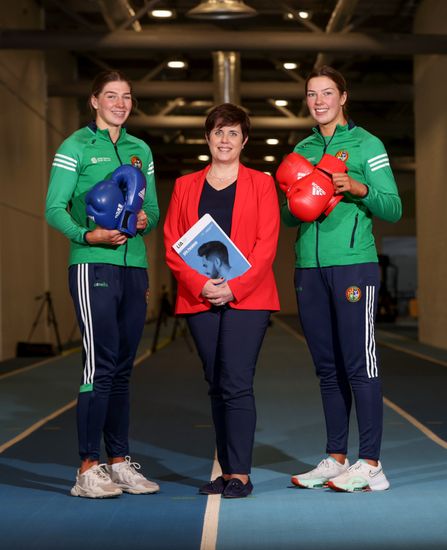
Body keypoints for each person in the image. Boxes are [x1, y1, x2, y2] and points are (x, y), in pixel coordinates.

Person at [280, 66, 402, 492]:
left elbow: (393, 206)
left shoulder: (367, 145)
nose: (319, 101)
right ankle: (336, 458)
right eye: (312, 94)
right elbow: (288, 216)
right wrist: (291, 195)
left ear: (343, 97)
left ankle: (371, 463)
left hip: (353, 265)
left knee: (359, 364)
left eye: (327, 93)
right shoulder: (303, 148)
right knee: (327, 369)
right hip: (309, 270)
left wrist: (357, 187)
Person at [45, 70, 160, 498]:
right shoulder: (75, 146)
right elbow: (54, 208)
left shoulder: (139, 149)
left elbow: (152, 210)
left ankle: (118, 461)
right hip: (92, 265)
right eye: (111, 96)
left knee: (124, 369)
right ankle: (87, 467)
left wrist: (147, 219)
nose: (120, 103)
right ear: (95, 101)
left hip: (134, 267)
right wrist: (85, 235)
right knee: (100, 365)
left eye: (126, 96)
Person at [164, 103, 280, 499]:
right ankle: (226, 468)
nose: (224, 139)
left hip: (248, 298)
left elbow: (267, 246)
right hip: (199, 298)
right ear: (208, 138)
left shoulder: (262, 184)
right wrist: (201, 285)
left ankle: (241, 475)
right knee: (215, 383)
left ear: (244, 140)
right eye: (218, 132)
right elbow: (172, 244)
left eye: (232, 133)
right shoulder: (184, 186)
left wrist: (235, 287)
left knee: (236, 382)